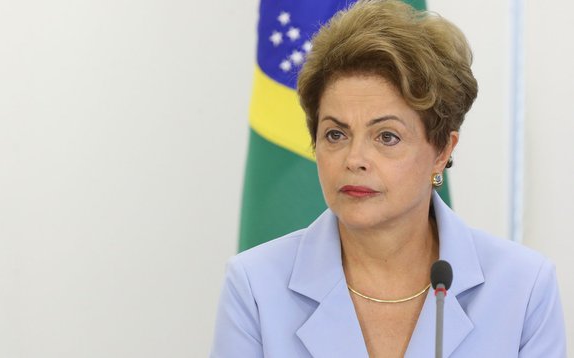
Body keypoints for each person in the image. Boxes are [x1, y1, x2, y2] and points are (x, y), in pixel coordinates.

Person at [210, 0, 566, 357]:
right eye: (336, 134)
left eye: (387, 137)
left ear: (441, 151)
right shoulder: (255, 287)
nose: (355, 160)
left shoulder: (524, 288)